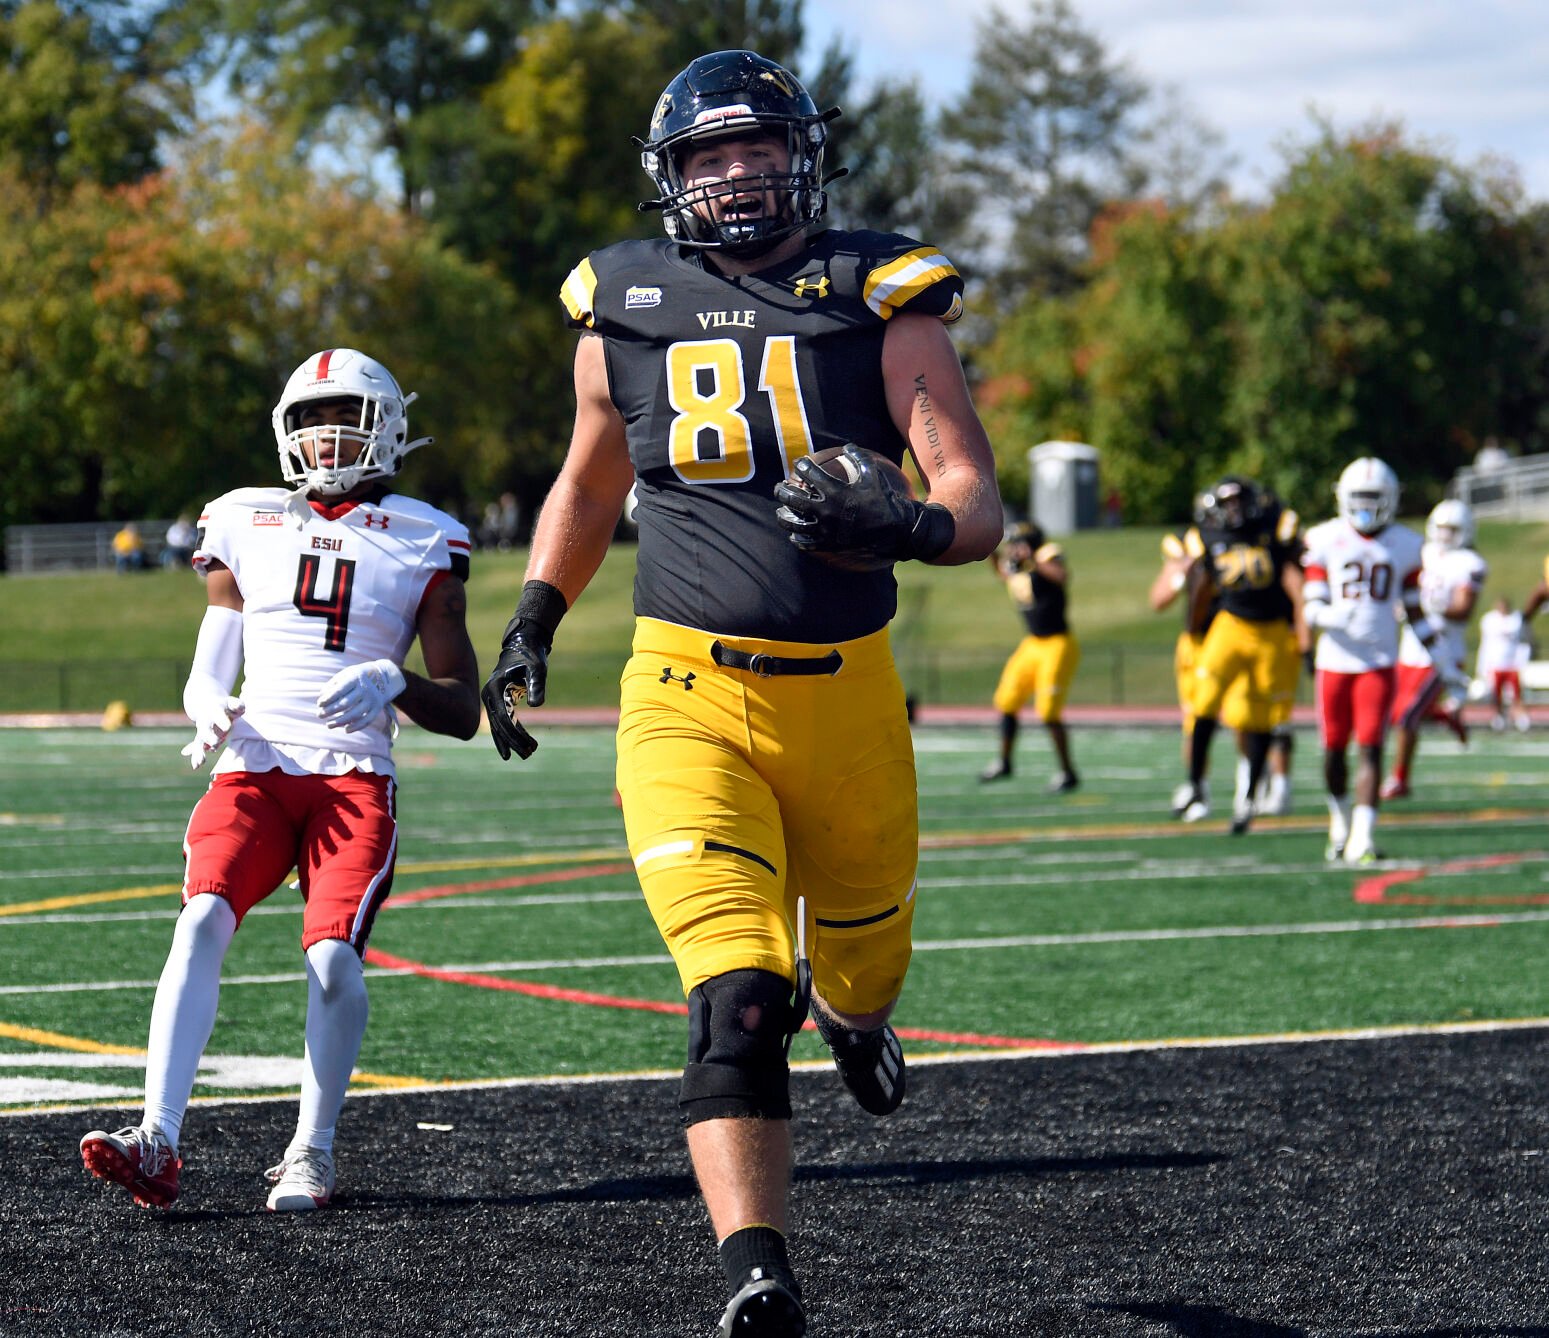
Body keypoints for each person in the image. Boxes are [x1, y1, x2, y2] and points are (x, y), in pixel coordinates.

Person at [479, 50, 1001, 1337]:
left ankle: (859, 1013)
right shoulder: (625, 301)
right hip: (683, 691)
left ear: (801, 157)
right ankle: (755, 1272)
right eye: (709, 156)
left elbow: (972, 499)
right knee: (735, 989)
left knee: (861, 963)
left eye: (756, 149)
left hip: (847, 699)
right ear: (674, 176)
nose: (736, 175)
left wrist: (907, 529)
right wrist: (534, 616)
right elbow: (592, 485)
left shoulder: (878, 295)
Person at [80, 348, 480, 1212]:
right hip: (256, 764)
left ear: (389, 427)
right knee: (199, 920)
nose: (324, 435)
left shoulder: (423, 535)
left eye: (344, 414)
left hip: (350, 780)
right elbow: (223, 623)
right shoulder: (241, 516)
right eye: (308, 417)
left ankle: (312, 1148)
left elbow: (461, 708)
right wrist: (200, 692)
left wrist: (395, 682)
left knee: (334, 957)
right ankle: (157, 1136)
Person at [1302, 457, 1431, 864]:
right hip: (1335, 660)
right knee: (1333, 751)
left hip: (1378, 661)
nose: (1367, 505)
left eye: (1375, 497)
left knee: (1373, 748)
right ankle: (1339, 822)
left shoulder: (1408, 544)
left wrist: (1441, 657)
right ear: (1342, 497)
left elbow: (1414, 608)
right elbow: (1310, 606)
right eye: (1360, 496)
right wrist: (1331, 617)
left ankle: (1364, 836)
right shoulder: (1323, 538)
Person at [1169, 477, 1305, 835]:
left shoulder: (1274, 526)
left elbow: (1295, 575)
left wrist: (1303, 632)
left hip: (1272, 632)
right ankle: (1196, 782)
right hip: (1230, 625)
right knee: (1203, 704)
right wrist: (1192, 628)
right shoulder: (1207, 535)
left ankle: (1248, 796)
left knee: (1259, 720)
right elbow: (1201, 584)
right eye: (1227, 502)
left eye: (1239, 500)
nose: (1235, 508)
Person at [1381, 500, 1485, 798]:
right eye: (1441, 528)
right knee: (1395, 713)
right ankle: (1444, 715)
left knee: (1407, 717)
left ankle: (1399, 779)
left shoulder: (1470, 562)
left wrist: (1424, 606)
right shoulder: (1421, 553)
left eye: (1452, 529)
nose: (1445, 535)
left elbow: (1463, 610)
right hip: (1410, 650)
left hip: (1442, 654)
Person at [979, 520, 1080, 790]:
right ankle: (1004, 761)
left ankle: (1067, 771)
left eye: (1017, 544)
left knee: (1048, 711)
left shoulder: (1046, 555)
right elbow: (1003, 572)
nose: (1013, 550)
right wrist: (988, 548)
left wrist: (1032, 557)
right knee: (1007, 700)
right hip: (1032, 644)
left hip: (1057, 643)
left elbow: (1061, 575)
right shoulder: (1017, 568)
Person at [1476, 596, 1531, 732]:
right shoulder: (1489, 620)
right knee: (1496, 694)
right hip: (1496, 664)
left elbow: (1523, 642)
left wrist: (1522, 661)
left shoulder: (1516, 620)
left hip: (1512, 664)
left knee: (1516, 693)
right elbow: (1485, 644)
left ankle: (1519, 716)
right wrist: (1482, 665)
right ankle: (1498, 717)